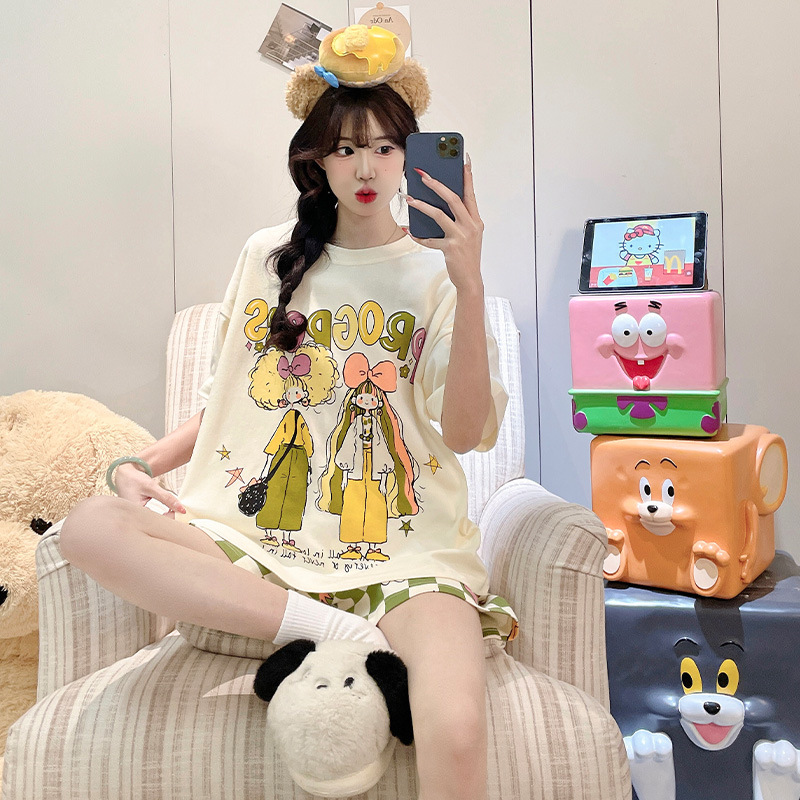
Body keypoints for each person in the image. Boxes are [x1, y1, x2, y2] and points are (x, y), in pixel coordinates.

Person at [60, 25, 515, 800]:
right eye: (345, 149)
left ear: (411, 155)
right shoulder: (268, 257)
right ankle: (327, 630)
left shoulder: (439, 275)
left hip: (406, 552)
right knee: (89, 527)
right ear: (317, 160)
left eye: (384, 147)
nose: (365, 168)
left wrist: (469, 284)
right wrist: (137, 467)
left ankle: (340, 619)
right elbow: (231, 402)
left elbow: (467, 434)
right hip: (262, 546)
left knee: (458, 727)